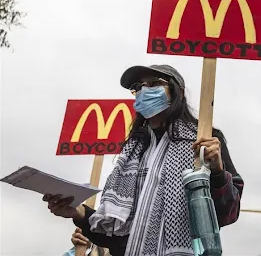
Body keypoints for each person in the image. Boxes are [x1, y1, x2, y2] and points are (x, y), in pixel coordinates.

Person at [45, 64, 244, 256]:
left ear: (178, 92)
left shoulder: (205, 140)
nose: (143, 91)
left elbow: (228, 213)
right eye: (138, 87)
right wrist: (78, 213)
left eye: (154, 84)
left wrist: (217, 172)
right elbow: (116, 236)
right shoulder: (132, 152)